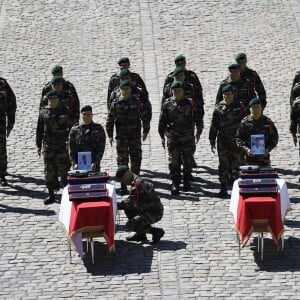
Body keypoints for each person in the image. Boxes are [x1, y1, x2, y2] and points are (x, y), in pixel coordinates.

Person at [106, 80, 152, 195]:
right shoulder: (116, 103)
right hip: (121, 137)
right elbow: (110, 119)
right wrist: (110, 135)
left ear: (130, 90)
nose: (125, 91)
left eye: (127, 89)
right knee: (122, 161)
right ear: (120, 90)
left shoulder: (137, 102)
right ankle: (123, 185)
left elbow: (144, 117)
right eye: (123, 89)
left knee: (136, 159)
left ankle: (135, 184)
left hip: (134, 136)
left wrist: (146, 130)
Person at [158, 81, 203, 195]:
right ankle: (175, 183)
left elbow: (198, 117)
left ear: (183, 91)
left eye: (179, 90)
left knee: (188, 159)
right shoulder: (167, 104)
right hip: (173, 136)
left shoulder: (190, 103)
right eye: (175, 91)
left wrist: (199, 130)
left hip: (187, 136)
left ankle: (187, 180)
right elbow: (162, 120)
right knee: (174, 160)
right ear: (172, 91)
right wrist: (161, 136)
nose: (177, 93)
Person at [209, 84, 245, 198]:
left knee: (238, 163)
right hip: (223, 139)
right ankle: (223, 187)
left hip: (236, 140)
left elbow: (245, 123)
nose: (227, 96)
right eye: (225, 94)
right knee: (223, 164)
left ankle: (240, 188)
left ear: (233, 95)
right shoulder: (219, 108)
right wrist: (212, 139)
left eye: (229, 94)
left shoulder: (240, 107)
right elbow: (214, 125)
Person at [36, 90, 71, 205]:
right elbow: (39, 129)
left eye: (55, 98)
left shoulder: (65, 111)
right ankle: (51, 195)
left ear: (58, 99)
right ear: (48, 99)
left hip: (62, 145)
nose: (53, 100)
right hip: (48, 145)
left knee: (64, 170)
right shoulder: (44, 112)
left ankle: (67, 194)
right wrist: (38, 144)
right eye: (51, 98)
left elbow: (71, 128)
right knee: (49, 170)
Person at [115, 165, 164, 244]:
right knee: (129, 210)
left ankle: (156, 232)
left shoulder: (138, 185)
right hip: (147, 208)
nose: (122, 182)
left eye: (122, 179)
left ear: (127, 174)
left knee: (130, 225)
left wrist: (115, 205)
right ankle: (141, 235)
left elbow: (130, 202)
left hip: (154, 213)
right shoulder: (136, 181)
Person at [236, 98, 278, 168]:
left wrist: (268, 149)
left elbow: (274, 137)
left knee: (264, 178)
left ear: (261, 107)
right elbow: (239, 138)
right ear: (250, 108)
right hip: (249, 159)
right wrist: (246, 149)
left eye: (257, 107)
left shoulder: (267, 122)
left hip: (264, 159)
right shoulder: (244, 122)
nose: (255, 109)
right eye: (253, 107)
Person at [69, 105, 106, 172]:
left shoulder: (98, 129)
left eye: (88, 114)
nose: (86, 116)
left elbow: (101, 148)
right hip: (78, 165)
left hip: (94, 165)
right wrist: (74, 163)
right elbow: (71, 148)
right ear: (81, 115)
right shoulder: (74, 130)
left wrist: (95, 162)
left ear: (92, 115)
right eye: (84, 114)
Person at [0, 77, 16, 186]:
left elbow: (11, 103)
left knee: (0, 148)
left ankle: (1, 174)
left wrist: (10, 123)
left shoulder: (2, 83)